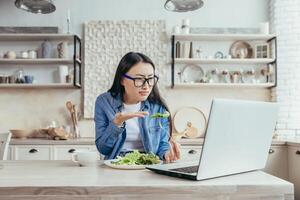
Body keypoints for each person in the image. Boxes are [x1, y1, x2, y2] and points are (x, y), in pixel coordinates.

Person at [94, 52, 180, 163]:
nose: (146, 86)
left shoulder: (158, 107)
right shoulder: (104, 102)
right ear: (122, 80)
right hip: (116, 165)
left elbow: (162, 146)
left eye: (150, 79)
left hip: (148, 166)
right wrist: (116, 124)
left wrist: (168, 153)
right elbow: (103, 149)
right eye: (139, 79)